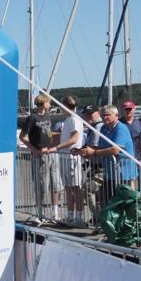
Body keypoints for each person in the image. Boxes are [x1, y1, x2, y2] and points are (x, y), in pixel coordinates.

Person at [80, 104, 138, 214]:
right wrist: (85, 151)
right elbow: (101, 146)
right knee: (105, 199)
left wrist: (95, 153)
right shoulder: (104, 128)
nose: (105, 118)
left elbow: (114, 150)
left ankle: (124, 226)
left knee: (124, 202)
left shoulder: (121, 128)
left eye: (108, 115)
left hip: (124, 173)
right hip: (110, 172)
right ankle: (103, 221)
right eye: (103, 115)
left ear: (116, 115)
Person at [19, 93, 61, 225]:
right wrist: (34, 149)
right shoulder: (32, 118)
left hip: (51, 153)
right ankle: (39, 213)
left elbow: (47, 132)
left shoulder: (48, 116)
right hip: (40, 155)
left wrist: (59, 136)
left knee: (56, 184)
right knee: (42, 185)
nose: (50, 104)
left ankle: (55, 213)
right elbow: (23, 137)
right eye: (48, 102)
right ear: (43, 103)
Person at [53, 96, 86, 227]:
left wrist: (56, 148)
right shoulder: (67, 120)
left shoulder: (75, 120)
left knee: (76, 188)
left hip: (72, 157)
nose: (60, 108)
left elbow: (74, 139)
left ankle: (79, 217)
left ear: (66, 106)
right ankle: (71, 215)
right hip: (65, 157)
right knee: (68, 187)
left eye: (61, 106)